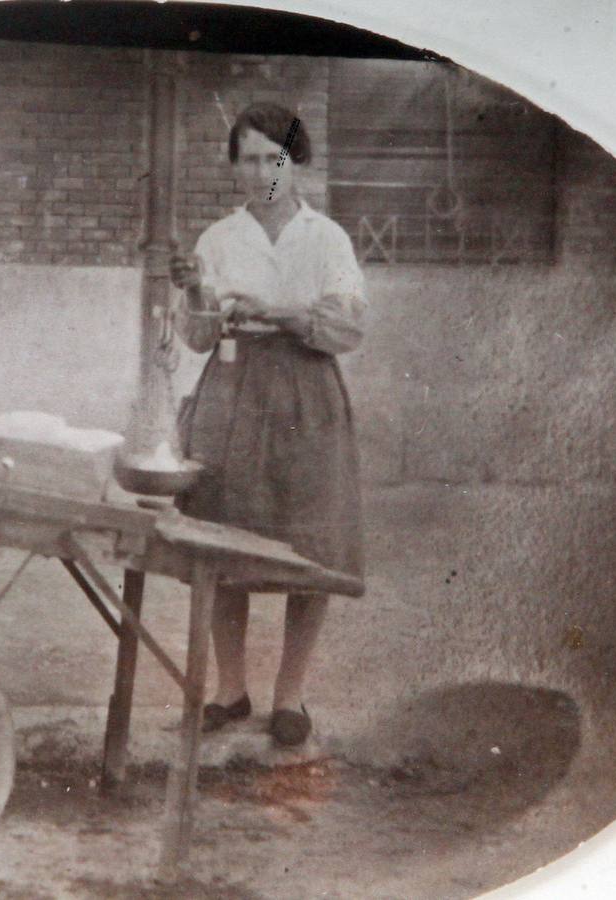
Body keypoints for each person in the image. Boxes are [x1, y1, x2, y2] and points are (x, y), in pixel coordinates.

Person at [169, 102, 366, 747]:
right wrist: (196, 295)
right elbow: (197, 337)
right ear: (235, 166)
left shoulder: (326, 239)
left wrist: (278, 311)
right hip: (232, 393)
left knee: (310, 546)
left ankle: (291, 696)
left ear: (296, 160)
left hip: (307, 398)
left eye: (272, 159)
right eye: (248, 160)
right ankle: (231, 690)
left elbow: (346, 327)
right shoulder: (219, 240)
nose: (261, 174)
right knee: (226, 540)